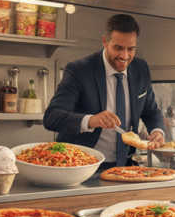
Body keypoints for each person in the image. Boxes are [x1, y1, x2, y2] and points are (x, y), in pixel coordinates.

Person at [45, 14, 165, 168]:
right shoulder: (79, 70)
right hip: (82, 165)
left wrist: (157, 131)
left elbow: (151, 111)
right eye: (118, 48)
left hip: (126, 165)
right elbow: (52, 117)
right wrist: (91, 120)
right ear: (105, 42)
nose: (125, 56)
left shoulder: (141, 69)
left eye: (131, 49)